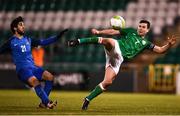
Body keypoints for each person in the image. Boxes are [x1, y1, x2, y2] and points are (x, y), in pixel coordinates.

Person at [67, 20, 176, 110]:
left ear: (147, 30)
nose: (140, 28)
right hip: (117, 47)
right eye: (139, 26)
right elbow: (114, 32)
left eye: (143, 27)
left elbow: (160, 50)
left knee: (107, 82)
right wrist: (99, 32)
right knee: (108, 41)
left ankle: (87, 99)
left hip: (118, 59)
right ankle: (78, 41)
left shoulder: (146, 43)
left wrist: (169, 45)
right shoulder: (130, 31)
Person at [0, 16, 68, 109]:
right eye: (21, 25)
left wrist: (57, 37)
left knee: (50, 77)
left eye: (23, 25)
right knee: (35, 82)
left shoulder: (28, 39)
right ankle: (48, 103)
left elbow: (44, 42)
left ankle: (44, 103)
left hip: (33, 67)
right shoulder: (11, 42)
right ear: (15, 28)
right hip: (23, 69)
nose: (23, 26)